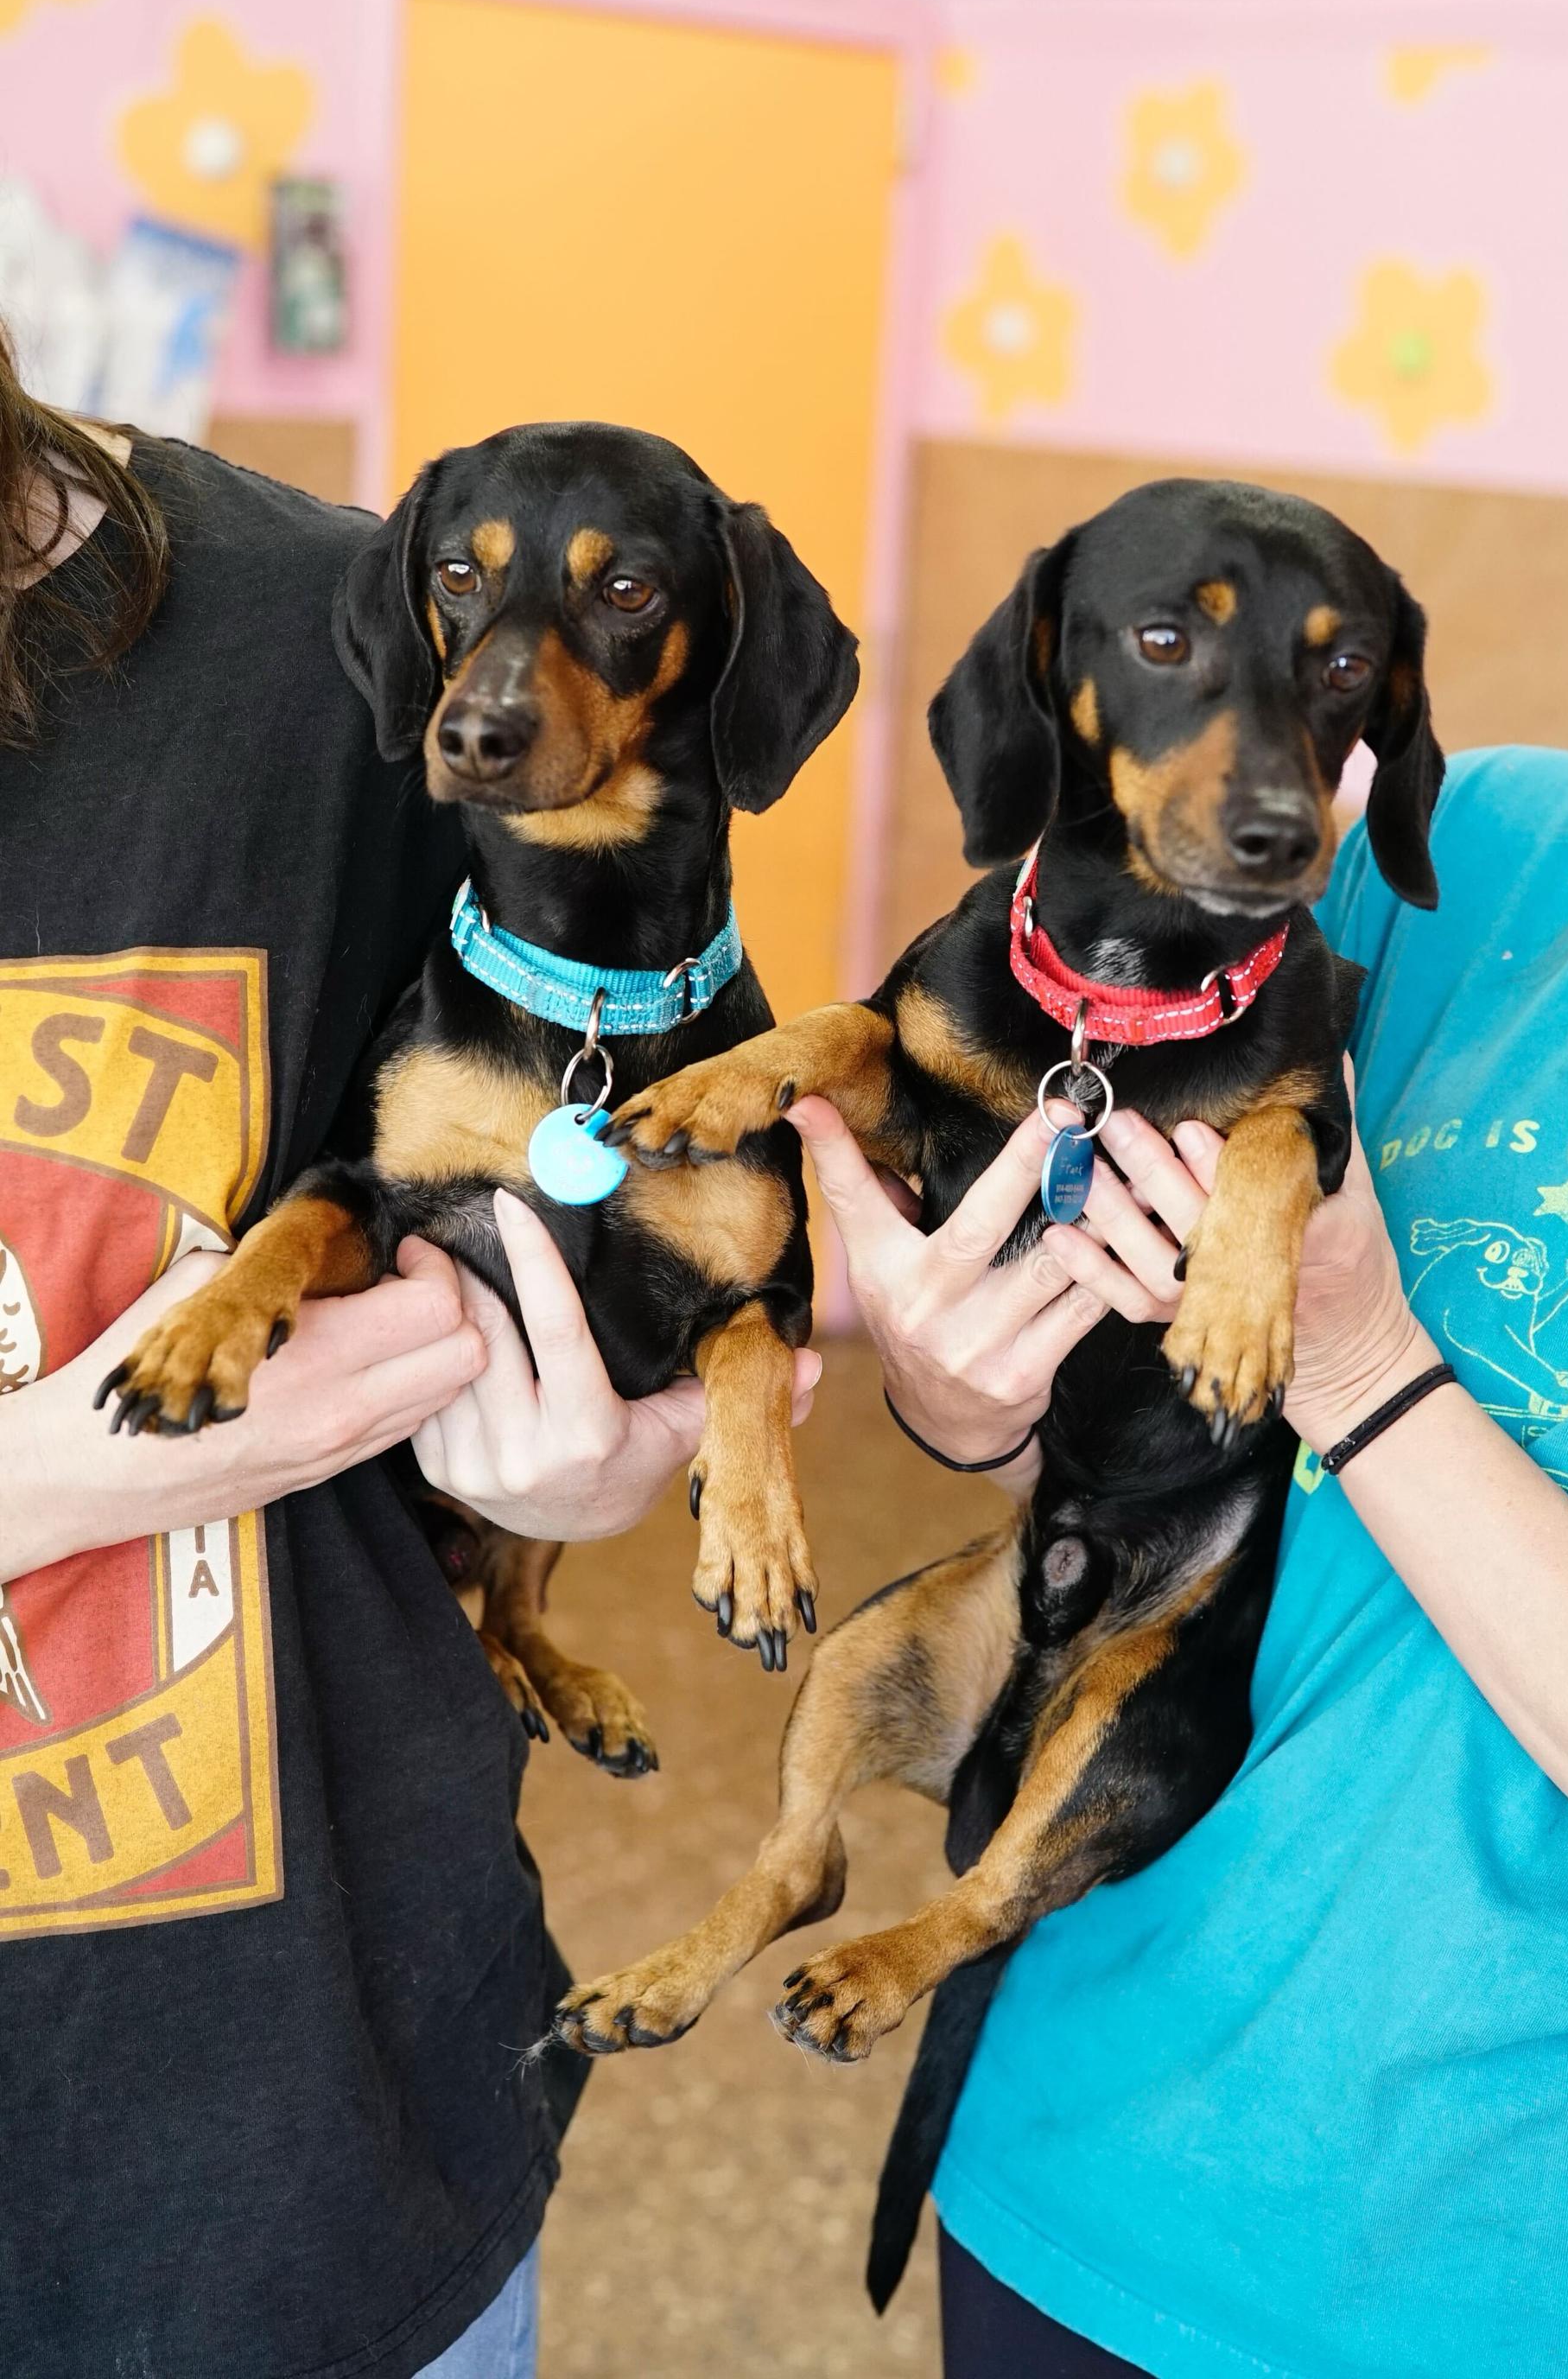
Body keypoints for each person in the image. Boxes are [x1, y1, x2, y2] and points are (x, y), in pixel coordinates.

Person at [0, 335, 815, 2378]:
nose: (507, 671)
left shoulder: (314, 642)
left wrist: (588, 1445)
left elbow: (488, 1175)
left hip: (309, 2132)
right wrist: (95, 1469)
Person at [787, 742, 1568, 2379]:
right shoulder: (1485, 847)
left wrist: (1367, 1375)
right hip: (1073, 2154)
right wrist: (965, 1392)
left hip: (1554, 2300)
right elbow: (1147, 1428)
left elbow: (1324, 1371)